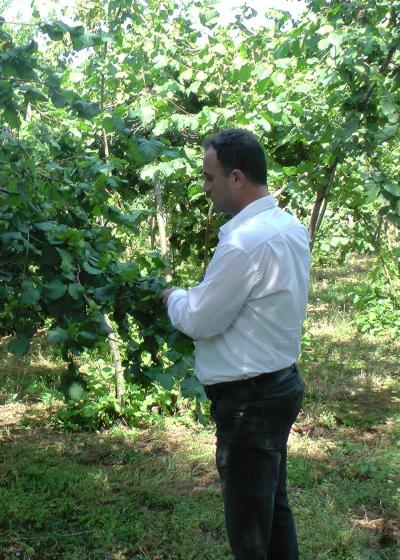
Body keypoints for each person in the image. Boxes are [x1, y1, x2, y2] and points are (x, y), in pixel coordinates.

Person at [162, 129, 310, 560]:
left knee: (248, 528)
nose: (206, 188)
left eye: (210, 178)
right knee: (272, 508)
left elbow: (200, 319)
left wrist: (173, 296)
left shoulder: (245, 244)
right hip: (279, 386)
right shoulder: (288, 227)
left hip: (250, 403)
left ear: (238, 178)